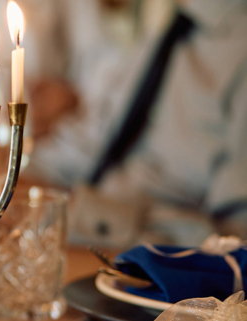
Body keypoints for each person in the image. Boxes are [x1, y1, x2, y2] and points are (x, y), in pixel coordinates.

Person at [27, 0, 247, 247]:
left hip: (139, 256)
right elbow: (98, 144)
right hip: (81, 233)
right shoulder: (167, 33)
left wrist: (77, 211)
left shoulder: (237, 54)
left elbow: (234, 240)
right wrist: (18, 174)